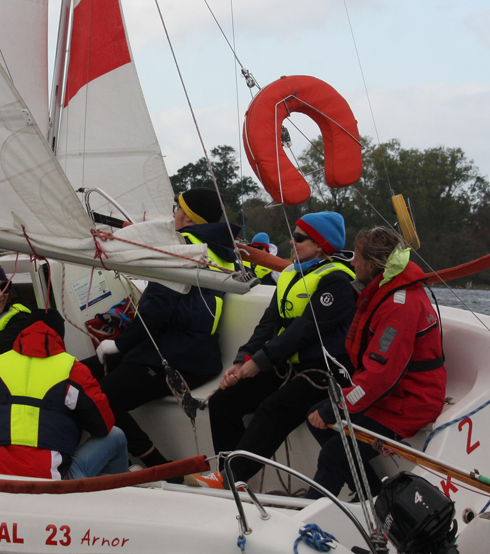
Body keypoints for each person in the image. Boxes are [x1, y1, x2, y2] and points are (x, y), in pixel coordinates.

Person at [185, 212, 357, 490]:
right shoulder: (292, 274)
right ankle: (230, 476)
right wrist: (243, 359)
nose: (292, 241)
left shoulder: (338, 282)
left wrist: (260, 362)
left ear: (320, 245)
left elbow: (304, 330)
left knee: (273, 409)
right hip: (288, 364)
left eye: (299, 238)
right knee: (224, 401)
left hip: (324, 371)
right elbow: (269, 323)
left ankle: (230, 479)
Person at [91, 187, 242, 470]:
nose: (174, 214)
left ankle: (159, 467)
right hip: (191, 350)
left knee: (100, 398)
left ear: (188, 217)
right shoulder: (219, 249)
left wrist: (120, 344)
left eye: (178, 208)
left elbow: (158, 307)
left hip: (179, 357)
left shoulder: (184, 247)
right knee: (80, 373)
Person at [305, 227, 447, 500]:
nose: (352, 263)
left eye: (357, 258)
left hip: (409, 403)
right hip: (393, 394)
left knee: (335, 453)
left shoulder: (398, 307)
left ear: (371, 265)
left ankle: (310, 518)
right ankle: (372, 495)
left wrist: (337, 407)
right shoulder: (389, 291)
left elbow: (380, 376)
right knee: (316, 418)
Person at [0, 312, 128, 479]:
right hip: (52, 486)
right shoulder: (72, 369)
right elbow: (103, 426)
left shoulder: (0, 363)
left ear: (24, 331)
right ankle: (119, 488)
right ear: (60, 335)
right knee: (116, 436)